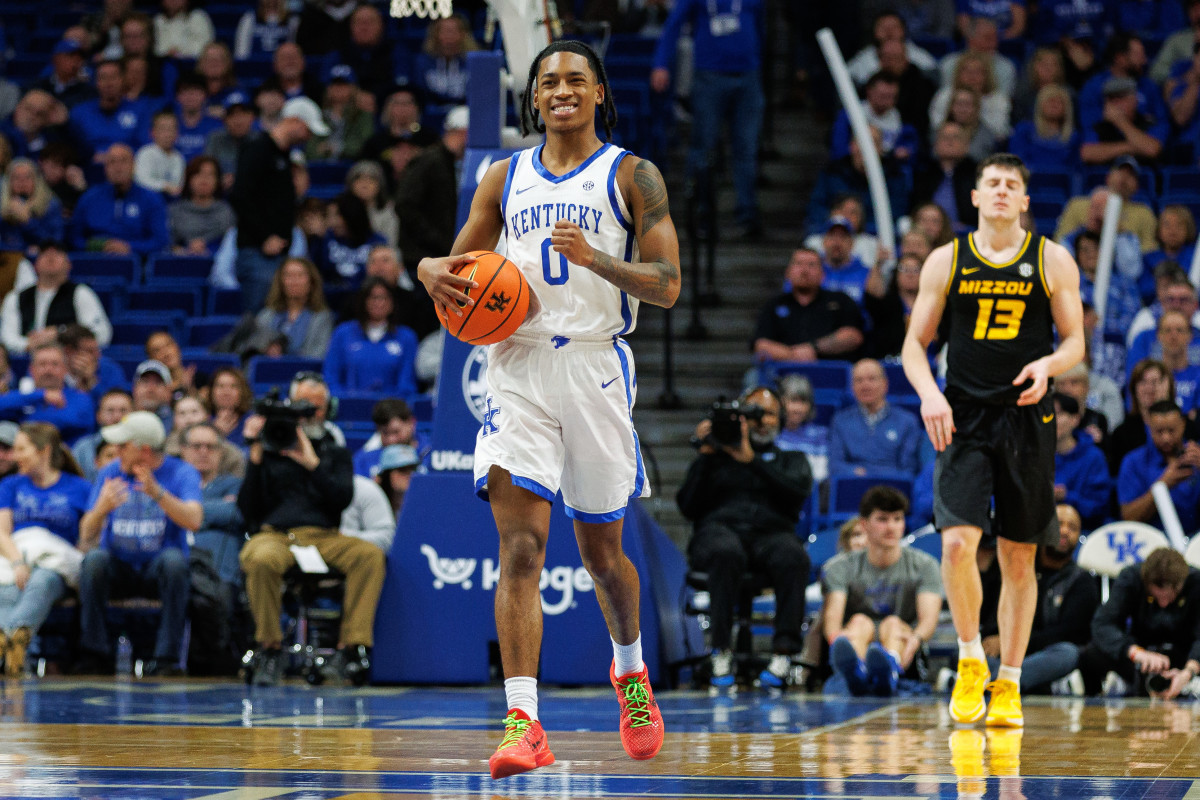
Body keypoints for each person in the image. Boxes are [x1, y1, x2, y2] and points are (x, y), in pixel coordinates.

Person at [417, 40, 678, 777]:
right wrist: (426, 267)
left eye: (574, 80)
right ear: (532, 99)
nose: (561, 91)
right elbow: (450, 268)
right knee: (522, 549)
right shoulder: (503, 176)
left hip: (596, 363)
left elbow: (667, 284)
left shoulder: (632, 174)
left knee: (602, 557)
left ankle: (628, 672)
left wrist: (600, 260)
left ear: (598, 91)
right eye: (548, 83)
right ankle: (524, 722)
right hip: (515, 367)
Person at [901, 152, 1085, 728]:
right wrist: (930, 393)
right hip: (963, 415)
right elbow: (914, 346)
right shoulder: (946, 259)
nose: (1003, 191)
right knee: (957, 543)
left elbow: (1078, 340)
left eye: (1013, 184)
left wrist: (1050, 364)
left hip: (1028, 417)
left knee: (1018, 556)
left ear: (1026, 200)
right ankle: (970, 656)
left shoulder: (1051, 257)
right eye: (993, 184)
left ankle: (1009, 681)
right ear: (975, 197)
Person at [237, 374, 380, 686]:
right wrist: (256, 458)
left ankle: (351, 649)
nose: (310, 415)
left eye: (317, 408)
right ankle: (270, 647)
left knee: (369, 555)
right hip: (276, 535)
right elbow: (247, 509)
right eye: (304, 408)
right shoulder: (270, 448)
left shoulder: (335, 453)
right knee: (261, 558)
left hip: (324, 537)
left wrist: (313, 463)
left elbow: (342, 499)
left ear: (327, 411)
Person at [676, 386, 813, 689]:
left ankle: (783, 654)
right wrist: (705, 455)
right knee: (726, 552)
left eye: (769, 414)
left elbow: (797, 493)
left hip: (771, 535)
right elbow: (686, 506)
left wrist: (752, 460)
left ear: (780, 420)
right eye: (754, 413)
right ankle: (720, 650)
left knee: (794, 556)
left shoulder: (792, 459)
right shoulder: (715, 458)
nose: (762, 421)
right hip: (720, 533)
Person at [76, 411, 203, 676]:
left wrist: (158, 493)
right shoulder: (110, 472)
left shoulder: (181, 472)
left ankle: (166, 658)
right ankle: (95, 653)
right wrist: (101, 509)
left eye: (123, 446)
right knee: (93, 561)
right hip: (119, 566)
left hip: (156, 569)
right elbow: (86, 534)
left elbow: (194, 520)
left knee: (174, 562)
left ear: (144, 450)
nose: (116, 451)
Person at [651, 0, 766, 238]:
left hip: (748, 75)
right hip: (709, 76)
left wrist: (756, 58)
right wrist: (661, 63)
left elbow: (760, 25)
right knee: (703, 147)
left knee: (746, 148)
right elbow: (673, 24)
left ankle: (747, 213)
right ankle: (701, 213)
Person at [823, 486, 942, 696]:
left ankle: (890, 668)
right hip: (858, 636)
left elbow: (928, 621)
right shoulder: (838, 567)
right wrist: (837, 641)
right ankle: (857, 672)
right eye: (882, 519)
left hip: (903, 644)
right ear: (864, 524)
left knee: (892, 624)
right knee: (860, 622)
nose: (891, 527)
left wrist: (915, 640)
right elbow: (832, 622)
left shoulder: (925, 565)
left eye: (897, 519)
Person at [0, 423, 91, 677]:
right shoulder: (11, 485)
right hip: (16, 556)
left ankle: (8, 636)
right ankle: (13, 648)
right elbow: (1, 532)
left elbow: (87, 540)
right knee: (7, 583)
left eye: (21, 449)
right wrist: (18, 562)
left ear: (44, 450)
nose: (15, 456)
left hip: (57, 563)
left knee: (42, 580)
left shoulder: (79, 487)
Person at [980, 503, 1098, 694]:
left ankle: (995, 683)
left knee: (1068, 654)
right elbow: (991, 620)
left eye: (1073, 527)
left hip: (1047, 655)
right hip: (1008, 656)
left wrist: (1011, 642)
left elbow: (1070, 633)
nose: (1065, 531)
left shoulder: (1082, 581)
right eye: (1059, 524)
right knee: (968, 652)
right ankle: (1018, 683)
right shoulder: (1016, 570)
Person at [230, 96, 328, 312]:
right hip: (258, 253)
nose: (309, 136)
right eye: (307, 129)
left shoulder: (284, 155)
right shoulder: (258, 148)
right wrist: (264, 236)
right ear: (294, 121)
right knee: (259, 322)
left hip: (278, 254)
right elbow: (239, 196)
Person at [1078, 547, 1200, 698]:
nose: (1163, 604)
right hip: (1139, 655)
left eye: (1170, 597)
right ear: (1146, 582)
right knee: (1089, 654)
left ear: (1182, 583)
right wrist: (1135, 652)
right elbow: (1103, 624)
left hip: (1184, 657)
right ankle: (1095, 700)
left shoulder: (1196, 582)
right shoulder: (1131, 577)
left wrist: (1189, 672)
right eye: (1156, 596)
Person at [751, 249, 865, 364]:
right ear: (788, 273)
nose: (804, 270)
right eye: (798, 264)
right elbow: (760, 344)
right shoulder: (774, 305)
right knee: (752, 378)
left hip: (830, 370)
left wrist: (813, 347)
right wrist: (794, 355)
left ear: (823, 274)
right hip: (783, 371)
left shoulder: (840, 301)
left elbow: (853, 336)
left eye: (811, 265)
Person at [395, 106, 468, 285]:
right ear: (462, 132)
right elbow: (404, 204)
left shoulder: (452, 163)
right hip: (421, 257)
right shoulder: (429, 161)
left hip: (438, 255)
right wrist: (437, 238)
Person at [0, 243, 111, 355]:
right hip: (26, 361)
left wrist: (60, 334)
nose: (50, 257)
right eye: (44, 254)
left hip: (68, 361)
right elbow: (6, 338)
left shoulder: (81, 293)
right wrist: (29, 344)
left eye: (57, 253)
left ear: (68, 264)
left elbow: (101, 334)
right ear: (35, 264)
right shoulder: (16, 297)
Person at [69, 144, 170, 258]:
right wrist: (99, 246)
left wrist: (129, 247)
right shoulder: (89, 198)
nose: (118, 168)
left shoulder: (152, 199)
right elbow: (74, 239)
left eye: (123, 161)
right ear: (105, 168)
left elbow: (160, 241)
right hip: (94, 263)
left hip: (137, 265)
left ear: (134, 166)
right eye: (112, 162)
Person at [828, 359, 923, 479]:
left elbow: (909, 469)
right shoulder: (840, 421)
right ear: (852, 387)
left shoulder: (907, 421)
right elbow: (835, 465)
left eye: (871, 379)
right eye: (859, 380)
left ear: (885, 384)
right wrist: (856, 473)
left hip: (893, 489)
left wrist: (874, 476)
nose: (865, 386)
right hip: (853, 484)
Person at [323, 277, 418, 396]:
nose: (379, 303)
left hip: (391, 410)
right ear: (363, 301)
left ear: (392, 302)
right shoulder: (342, 333)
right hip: (348, 408)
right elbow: (331, 379)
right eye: (373, 297)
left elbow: (406, 385)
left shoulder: (407, 337)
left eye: (384, 297)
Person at [1117, 400, 1200, 533]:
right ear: (1148, 427)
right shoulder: (1133, 462)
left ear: (1183, 425)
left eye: (1171, 430)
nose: (1166, 438)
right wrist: (1162, 485)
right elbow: (1128, 517)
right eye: (1159, 431)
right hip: (1151, 542)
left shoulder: (1197, 456)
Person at [179, 421, 243, 586]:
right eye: (196, 446)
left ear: (221, 451)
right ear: (183, 449)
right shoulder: (171, 484)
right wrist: (217, 508)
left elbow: (235, 513)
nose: (203, 452)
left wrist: (180, 511)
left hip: (218, 575)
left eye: (211, 446)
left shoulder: (235, 484)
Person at [0, 343, 95, 442]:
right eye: (42, 364)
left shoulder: (80, 397)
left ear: (65, 369)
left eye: (55, 364)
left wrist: (26, 418)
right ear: (31, 370)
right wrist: (41, 395)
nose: (48, 369)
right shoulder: (27, 398)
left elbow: (69, 421)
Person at [1051, 393, 1112, 529]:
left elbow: (1099, 507)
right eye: (1046, 415)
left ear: (1075, 419)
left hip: (1085, 531)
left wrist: (1067, 496)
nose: (1051, 420)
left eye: (1058, 414)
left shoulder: (1094, 457)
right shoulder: (1034, 456)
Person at [254, 257, 335, 359]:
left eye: (300, 275)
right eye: (288, 276)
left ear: (311, 282)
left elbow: (319, 355)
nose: (294, 281)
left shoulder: (322, 317)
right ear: (280, 282)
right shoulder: (266, 315)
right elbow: (254, 350)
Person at [167, 156, 235, 255]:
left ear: (217, 181)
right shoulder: (175, 211)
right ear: (189, 179)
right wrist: (181, 250)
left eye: (210, 175)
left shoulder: (227, 211)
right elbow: (167, 243)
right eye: (198, 173)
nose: (204, 179)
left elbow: (231, 245)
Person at [0, 159, 66, 256]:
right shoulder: (2, 205)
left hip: (40, 258)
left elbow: (56, 242)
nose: (22, 182)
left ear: (37, 180)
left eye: (27, 177)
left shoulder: (51, 205)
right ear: (8, 182)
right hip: (7, 259)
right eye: (16, 177)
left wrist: (28, 221)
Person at [775, 374, 829, 483]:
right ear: (781, 402)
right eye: (793, 400)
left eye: (803, 402)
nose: (798, 408)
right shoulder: (772, 433)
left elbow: (821, 474)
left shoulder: (820, 434)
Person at [74, 389, 134, 481]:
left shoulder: (140, 447)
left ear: (134, 414)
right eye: (110, 411)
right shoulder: (82, 448)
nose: (117, 417)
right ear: (98, 416)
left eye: (123, 410)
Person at [352, 397, 419, 479]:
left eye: (396, 432)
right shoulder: (363, 460)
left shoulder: (431, 454)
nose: (391, 440)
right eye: (385, 433)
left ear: (412, 423)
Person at [205, 368, 253, 449]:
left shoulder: (252, 420)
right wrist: (214, 432)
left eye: (233, 386)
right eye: (220, 386)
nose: (226, 392)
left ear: (242, 392)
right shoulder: (202, 420)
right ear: (211, 391)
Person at [374, 442, 419, 516]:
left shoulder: (420, 506)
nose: (410, 474)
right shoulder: (373, 504)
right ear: (386, 475)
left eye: (413, 469)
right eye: (402, 470)